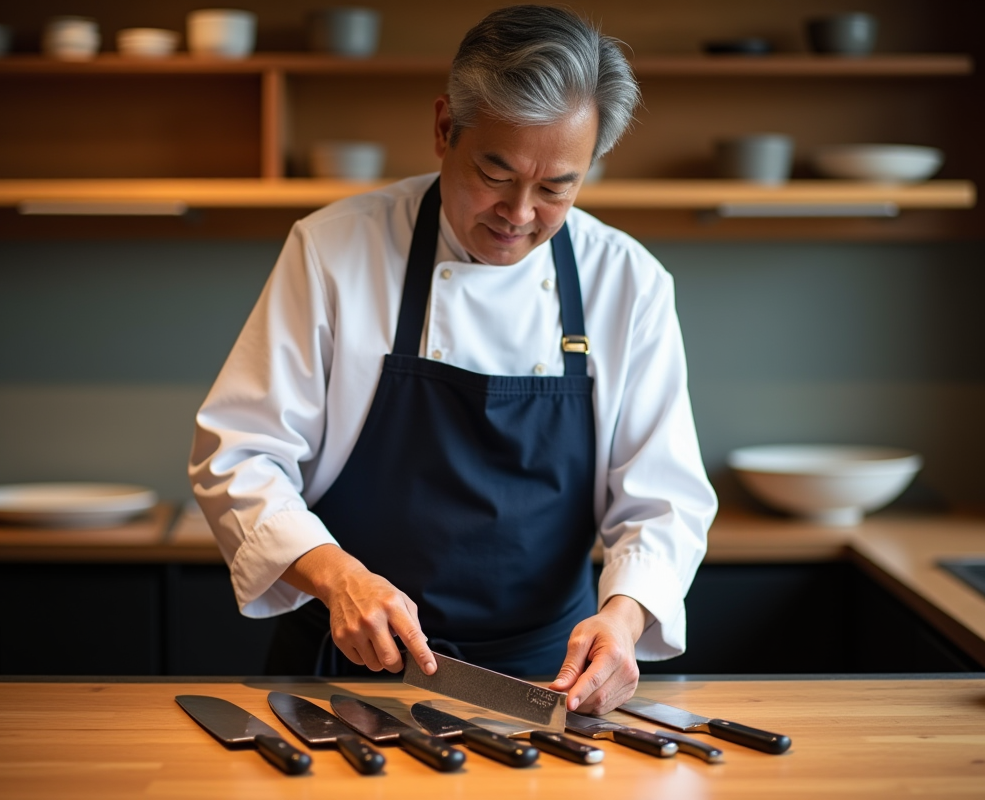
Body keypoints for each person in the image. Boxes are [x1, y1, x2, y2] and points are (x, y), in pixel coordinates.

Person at [189, 4, 716, 715]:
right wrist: (337, 576)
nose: (519, 213)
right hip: (351, 668)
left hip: (548, 683)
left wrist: (623, 620)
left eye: (557, 186)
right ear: (444, 128)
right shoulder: (334, 250)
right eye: (494, 173)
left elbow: (665, 500)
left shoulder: (627, 281)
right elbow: (240, 454)